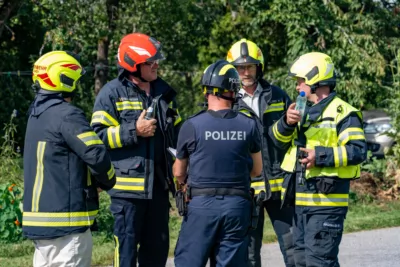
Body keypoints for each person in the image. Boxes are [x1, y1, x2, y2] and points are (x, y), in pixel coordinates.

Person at [91, 33, 181, 267]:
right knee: (127, 254)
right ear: (133, 65)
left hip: (159, 190)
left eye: (156, 61)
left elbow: (178, 139)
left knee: (157, 253)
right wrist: (134, 130)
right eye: (150, 62)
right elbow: (97, 137)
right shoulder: (111, 94)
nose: (156, 65)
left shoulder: (164, 95)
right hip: (127, 195)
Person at [269, 52, 367, 267]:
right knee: (302, 262)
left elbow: (358, 151)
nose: (297, 87)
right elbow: (275, 141)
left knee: (320, 262)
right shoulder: (299, 110)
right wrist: (286, 122)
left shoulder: (343, 112)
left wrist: (320, 156)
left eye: (300, 81)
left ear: (315, 79)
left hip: (327, 203)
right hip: (301, 204)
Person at [23, 51, 116, 267]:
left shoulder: (35, 116)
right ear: (65, 78)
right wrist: (106, 182)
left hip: (40, 224)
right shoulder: (67, 115)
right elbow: (97, 154)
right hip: (67, 222)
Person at [173, 59, 263, 267]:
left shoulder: (192, 125)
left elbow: (179, 172)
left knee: (189, 262)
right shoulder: (248, 125)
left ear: (207, 90)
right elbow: (257, 170)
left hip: (201, 206)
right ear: (233, 90)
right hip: (237, 207)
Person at [226, 38, 295, 267]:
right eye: (240, 67)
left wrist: (288, 123)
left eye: (250, 66)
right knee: (249, 256)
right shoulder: (226, 101)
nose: (245, 72)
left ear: (259, 66)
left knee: (295, 251)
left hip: (280, 189)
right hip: (247, 192)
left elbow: (290, 138)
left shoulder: (278, 96)